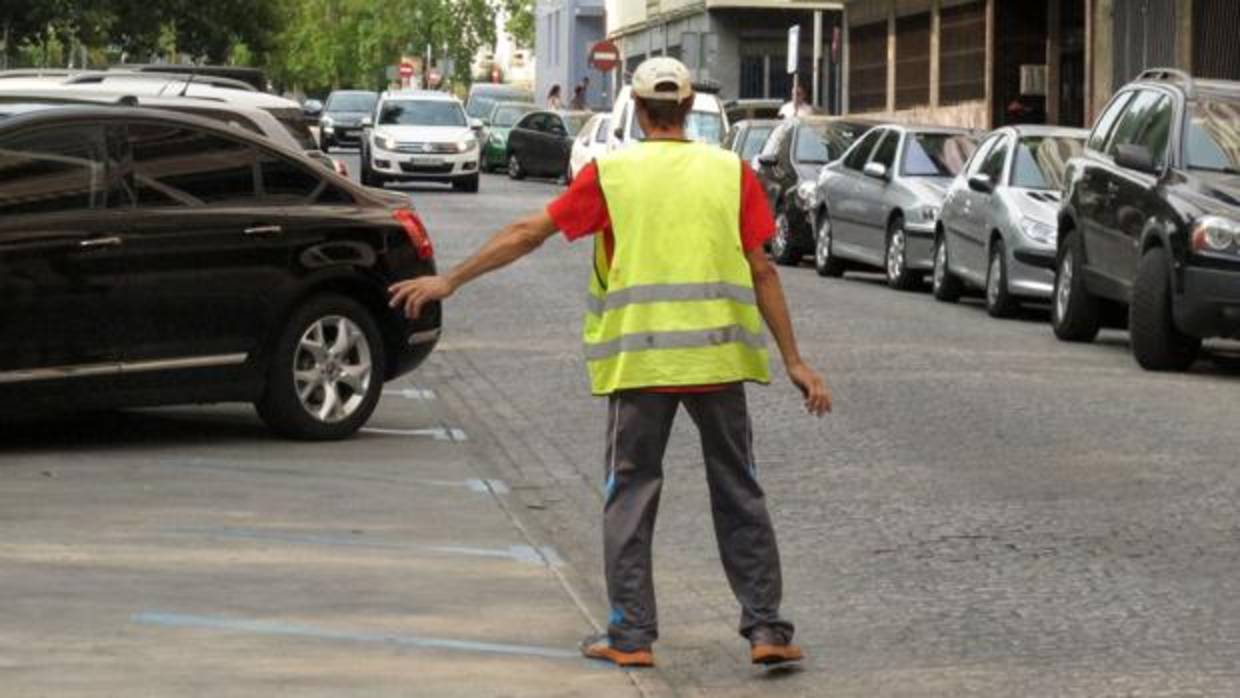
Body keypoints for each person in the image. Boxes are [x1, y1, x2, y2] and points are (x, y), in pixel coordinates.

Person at [388, 56, 832, 670]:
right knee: (739, 491)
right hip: (718, 363)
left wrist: (452, 281)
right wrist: (795, 361)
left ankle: (631, 637)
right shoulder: (730, 173)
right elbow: (762, 268)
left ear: (638, 109)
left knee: (630, 495)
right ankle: (766, 630)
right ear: (686, 112)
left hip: (641, 365)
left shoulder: (613, 175)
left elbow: (527, 232)